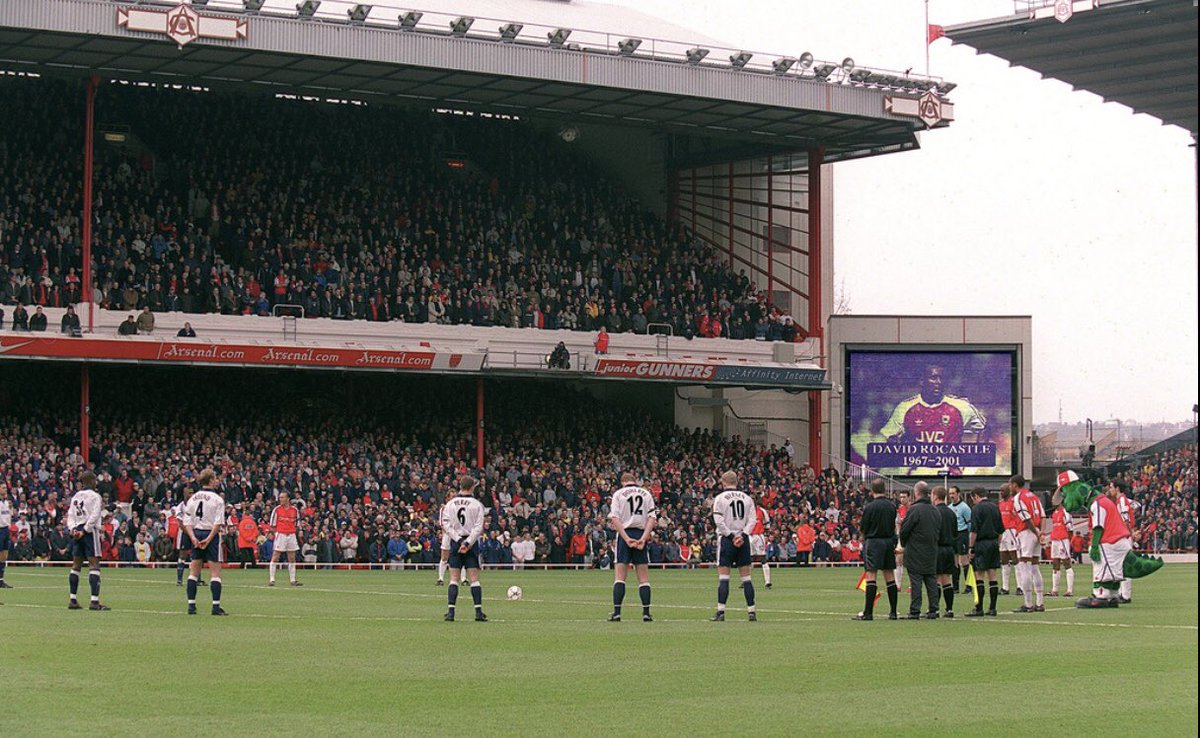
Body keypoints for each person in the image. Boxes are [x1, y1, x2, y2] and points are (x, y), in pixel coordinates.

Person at [852, 365, 987, 474]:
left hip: (949, 476)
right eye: (934, 378)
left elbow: (983, 428)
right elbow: (888, 438)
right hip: (916, 475)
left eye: (942, 378)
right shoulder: (905, 407)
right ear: (922, 381)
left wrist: (968, 461)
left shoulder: (961, 406)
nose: (938, 382)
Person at [607, 471, 658, 622]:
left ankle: (617, 613)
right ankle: (646, 613)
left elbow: (615, 519)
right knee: (643, 578)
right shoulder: (646, 494)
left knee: (620, 577)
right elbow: (652, 518)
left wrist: (626, 538)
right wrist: (643, 538)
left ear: (622, 482)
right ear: (635, 481)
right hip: (640, 532)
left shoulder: (618, 494)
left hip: (625, 534)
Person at [710, 471, 758, 622]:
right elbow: (752, 520)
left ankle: (721, 611)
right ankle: (751, 611)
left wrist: (731, 536)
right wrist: (742, 535)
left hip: (727, 540)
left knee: (724, 577)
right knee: (746, 578)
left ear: (723, 483)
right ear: (736, 481)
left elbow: (718, 520)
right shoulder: (747, 498)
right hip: (743, 541)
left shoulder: (720, 498)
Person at [439, 474, 488, 622]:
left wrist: (458, 540)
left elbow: (445, 524)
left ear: (460, 486)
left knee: (454, 578)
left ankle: (451, 612)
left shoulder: (451, 504)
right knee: (474, 578)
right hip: (470, 544)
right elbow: (478, 527)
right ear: (472, 487)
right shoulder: (477, 504)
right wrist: (467, 543)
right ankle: (478, 612)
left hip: (456, 542)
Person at [853, 479, 899, 621]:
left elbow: (864, 527)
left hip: (873, 542)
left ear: (872, 491)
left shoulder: (870, 507)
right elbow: (893, 526)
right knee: (889, 575)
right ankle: (893, 612)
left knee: (871, 575)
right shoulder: (892, 506)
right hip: (888, 542)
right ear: (884, 490)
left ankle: (868, 612)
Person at [183, 469, 227, 615]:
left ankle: (191, 606)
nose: (217, 481)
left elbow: (187, 521)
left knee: (193, 572)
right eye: (215, 478)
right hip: (210, 534)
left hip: (196, 532)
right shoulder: (217, 499)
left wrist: (193, 538)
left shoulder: (193, 498)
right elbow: (218, 522)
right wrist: (209, 539)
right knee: (215, 573)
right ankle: (215, 606)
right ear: (210, 480)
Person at [66, 471, 110, 610]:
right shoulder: (95, 496)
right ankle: (94, 601)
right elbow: (95, 514)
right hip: (89, 532)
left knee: (76, 565)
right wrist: (85, 530)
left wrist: (73, 530)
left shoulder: (76, 496)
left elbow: (70, 515)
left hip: (77, 530)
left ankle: (73, 600)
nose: (96, 482)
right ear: (91, 481)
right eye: (95, 480)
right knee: (94, 564)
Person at [898, 481, 940, 619]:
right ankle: (934, 609)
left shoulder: (914, 510)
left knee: (916, 581)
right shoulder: (935, 510)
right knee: (931, 580)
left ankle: (915, 610)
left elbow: (905, 530)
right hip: (932, 550)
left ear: (916, 493)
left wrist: (903, 544)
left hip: (915, 550)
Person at [965, 488, 1003, 617]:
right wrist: (997, 543)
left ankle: (979, 607)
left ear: (975, 496)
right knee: (992, 575)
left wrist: (970, 547)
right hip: (993, 543)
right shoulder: (995, 507)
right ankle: (992, 608)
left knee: (979, 576)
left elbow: (974, 530)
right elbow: (1000, 530)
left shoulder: (976, 509)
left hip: (981, 543)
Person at [1011, 475, 1046, 613]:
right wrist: (1041, 532)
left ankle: (1028, 604)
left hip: (1027, 532)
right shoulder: (1034, 496)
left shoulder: (1018, 498)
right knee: (1035, 567)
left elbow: (1026, 518)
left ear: (1014, 485)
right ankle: (1040, 602)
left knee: (1024, 566)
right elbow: (1043, 516)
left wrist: (1036, 533)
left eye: (1010, 485)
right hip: (1036, 530)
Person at [933, 486, 958, 617]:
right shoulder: (951, 513)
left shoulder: (934, 512)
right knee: (947, 579)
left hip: (937, 548)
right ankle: (949, 609)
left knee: (936, 579)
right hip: (949, 549)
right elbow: (955, 533)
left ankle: (935, 609)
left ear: (935, 496)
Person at [268, 492, 303, 587]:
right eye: (280, 497)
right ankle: (272, 579)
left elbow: (297, 524)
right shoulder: (277, 510)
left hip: (291, 535)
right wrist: (278, 533)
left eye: (282, 497)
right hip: (281, 535)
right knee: (276, 556)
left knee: (292, 557)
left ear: (288, 498)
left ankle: (293, 580)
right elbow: (272, 525)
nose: (280, 499)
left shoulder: (295, 510)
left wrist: (297, 531)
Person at [1048, 501, 1075, 597]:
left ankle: (1069, 590)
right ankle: (1054, 590)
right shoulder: (1054, 513)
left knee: (1066, 563)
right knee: (1055, 563)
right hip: (1055, 540)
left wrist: (1068, 541)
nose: (1052, 501)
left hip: (1063, 540)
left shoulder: (1065, 512)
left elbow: (1070, 529)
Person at [949, 486, 972, 593]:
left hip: (962, 535)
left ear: (958, 494)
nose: (951, 496)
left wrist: (968, 537)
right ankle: (955, 586)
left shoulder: (964, 507)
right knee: (954, 561)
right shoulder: (949, 507)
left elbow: (969, 523)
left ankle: (968, 586)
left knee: (964, 560)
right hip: (953, 535)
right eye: (950, 494)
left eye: (953, 493)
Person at [998, 483, 1019, 594]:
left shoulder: (1014, 502)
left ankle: (1019, 586)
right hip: (1002, 532)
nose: (1001, 493)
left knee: (1015, 558)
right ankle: (1005, 587)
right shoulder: (1000, 503)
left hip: (1011, 531)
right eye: (1000, 491)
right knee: (1004, 559)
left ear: (1008, 491)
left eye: (1003, 490)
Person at [1116, 487, 1136, 604]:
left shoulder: (1122, 500)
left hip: (1125, 535)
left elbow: (1126, 519)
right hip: (1123, 534)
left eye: (1112, 487)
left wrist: (1130, 533)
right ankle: (1121, 592)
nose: (1110, 489)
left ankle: (1126, 595)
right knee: (1120, 565)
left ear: (1117, 488)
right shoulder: (1120, 501)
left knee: (1125, 565)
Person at [749, 499, 772, 589]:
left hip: (758, 536)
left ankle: (767, 581)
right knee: (748, 559)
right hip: (749, 536)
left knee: (762, 558)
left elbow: (767, 523)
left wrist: (765, 534)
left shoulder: (762, 511)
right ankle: (746, 581)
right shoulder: (745, 512)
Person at [894, 490, 910, 586]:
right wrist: (899, 533)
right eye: (901, 497)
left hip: (912, 539)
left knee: (911, 562)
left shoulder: (913, 509)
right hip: (902, 539)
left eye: (904, 497)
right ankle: (898, 585)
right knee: (898, 560)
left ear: (909, 497)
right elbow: (898, 522)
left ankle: (911, 585)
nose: (902, 499)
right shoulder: (900, 510)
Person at [0, 483, 12, 589]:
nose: (5, 489)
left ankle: (1, 580)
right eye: (3, 488)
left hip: (5, 530)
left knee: (4, 556)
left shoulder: (6, 503)